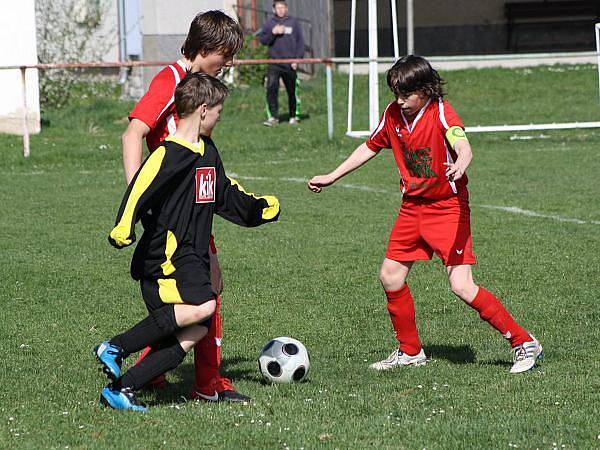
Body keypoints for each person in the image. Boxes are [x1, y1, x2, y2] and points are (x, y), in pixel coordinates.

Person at [308, 55, 543, 374]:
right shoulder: (393, 114)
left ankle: (523, 342)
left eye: (406, 94)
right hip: (412, 208)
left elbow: (462, 142)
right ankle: (410, 351)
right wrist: (332, 175)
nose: (400, 101)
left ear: (426, 90)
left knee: (461, 285)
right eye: (396, 94)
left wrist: (462, 160)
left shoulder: (441, 112)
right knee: (390, 276)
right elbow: (371, 146)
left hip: (448, 208)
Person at [94, 73, 281, 411]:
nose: (220, 118)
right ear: (203, 109)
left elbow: (225, 193)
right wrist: (123, 226)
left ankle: (122, 389)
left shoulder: (207, 152)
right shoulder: (168, 153)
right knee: (205, 305)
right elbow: (139, 187)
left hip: (191, 256)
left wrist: (259, 209)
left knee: (197, 329)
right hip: (165, 258)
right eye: (219, 111)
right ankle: (115, 347)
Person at [121, 10, 248, 402]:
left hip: (195, 209)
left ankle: (154, 372)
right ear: (205, 47)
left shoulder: (197, 85)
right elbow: (133, 133)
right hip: (174, 216)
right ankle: (206, 384)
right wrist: (137, 199)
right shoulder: (171, 80)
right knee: (204, 293)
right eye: (224, 55)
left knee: (207, 287)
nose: (228, 63)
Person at [259, 0, 304, 126]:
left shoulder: (293, 23)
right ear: (274, 9)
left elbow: (300, 42)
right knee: (271, 88)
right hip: (274, 62)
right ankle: (273, 117)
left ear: (286, 8)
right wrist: (273, 33)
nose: (280, 10)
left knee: (291, 90)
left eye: (282, 7)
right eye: (278, 8)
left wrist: (297, 59)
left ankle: (293, 116)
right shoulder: (269, 23)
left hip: (290, 63)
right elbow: (263, 40)